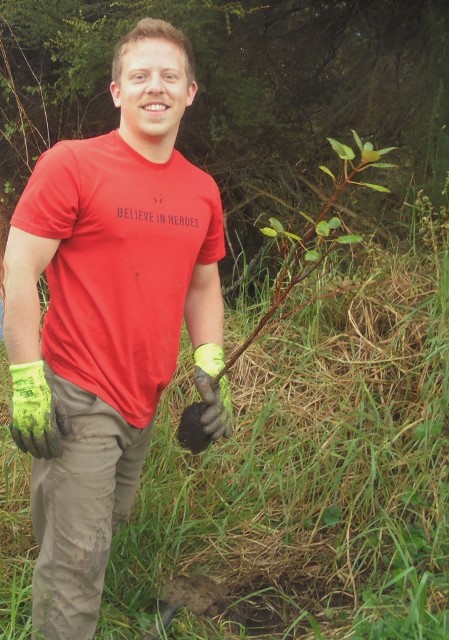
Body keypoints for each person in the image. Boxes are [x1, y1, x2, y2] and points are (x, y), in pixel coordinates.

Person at [1, 17, 233, 640]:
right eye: (140, 75)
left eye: (169, 76)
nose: (155, 87)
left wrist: (209, 361)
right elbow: (18, 267)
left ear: (190, 92)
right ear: (116, 91)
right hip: (78, 392)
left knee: (104, 526)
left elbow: (203, 285)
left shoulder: (201, 190)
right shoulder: (73, 164)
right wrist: (26, 377)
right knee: (76, 563)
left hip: (143, 397)